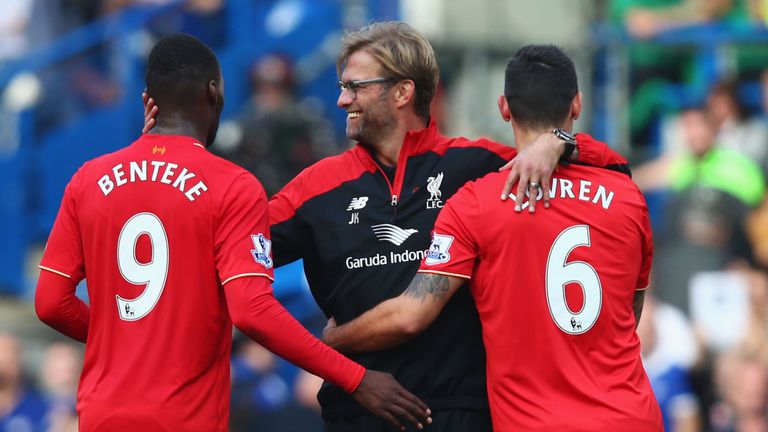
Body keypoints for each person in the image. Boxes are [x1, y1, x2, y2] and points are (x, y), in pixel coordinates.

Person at [143, 22, 630, 431]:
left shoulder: (476, 164)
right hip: (357, 412)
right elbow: (216, 251)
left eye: (354, 86)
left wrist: (560, 143)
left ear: (402, 91)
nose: (341, 101)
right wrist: (161, 166)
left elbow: (611, 175)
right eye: (341, 87)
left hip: (460, 414)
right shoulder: (314, 188)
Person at [34, 33, 431, 432]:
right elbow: (253, 310)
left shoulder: (89, 179)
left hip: (101, 416)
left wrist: (124, 343)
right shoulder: (232, 185)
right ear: (214, 91)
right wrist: (357, 379)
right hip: (184, 418)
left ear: (146, 102)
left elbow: (51, 302)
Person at [323, 44, 663, 431]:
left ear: (504, 108)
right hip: (630, 417)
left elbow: (410, 315)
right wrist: (564, 140)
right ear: (577, 105)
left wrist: (333, 339)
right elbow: (628, 313)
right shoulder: (626, 197)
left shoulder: (475, 203)